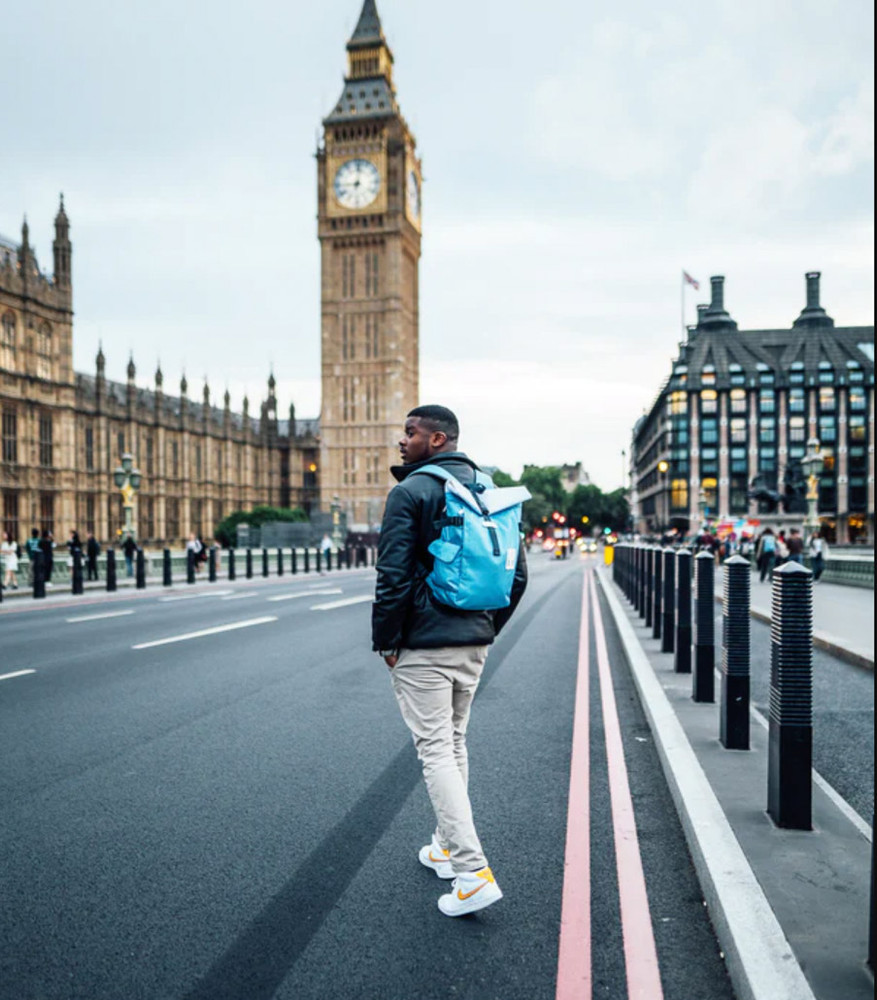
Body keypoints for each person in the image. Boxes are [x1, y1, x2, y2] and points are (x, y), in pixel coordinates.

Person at [372, 405, 528, 918]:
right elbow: (516, 575)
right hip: (474, 641)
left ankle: (472, 871)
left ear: (437, 439)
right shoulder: (490, 488)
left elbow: (392, 574)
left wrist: (388, 642)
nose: (402, 440)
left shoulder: (410, 492)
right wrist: (485, 629)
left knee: (435, 750)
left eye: (410, 433)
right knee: (454, 741)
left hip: (424, 644)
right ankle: (444, 846)